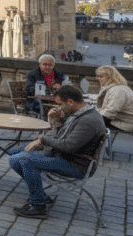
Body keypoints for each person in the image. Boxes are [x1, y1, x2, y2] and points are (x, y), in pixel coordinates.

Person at [7, 85, 106, 218]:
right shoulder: (81, 113)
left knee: (25, 159)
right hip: (65, 156)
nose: (59, 107)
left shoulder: (88, 121)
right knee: (14, 157)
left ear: (70, 102)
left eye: (60, 104)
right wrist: (56, 121)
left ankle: (37, 207)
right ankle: (40, 195)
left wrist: (42, 139)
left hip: (76, 165)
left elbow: (68, 146)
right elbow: (63, 138)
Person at [94, 66, 133, 133]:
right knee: (89, 120)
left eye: (101, 76)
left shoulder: (117, 90)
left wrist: (93, 116)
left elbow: (110, 112)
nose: (98, 79)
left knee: (89, 122)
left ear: (110, 77)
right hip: (122, 120)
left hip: (127, 124)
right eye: (98, 76)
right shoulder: (116, 88)